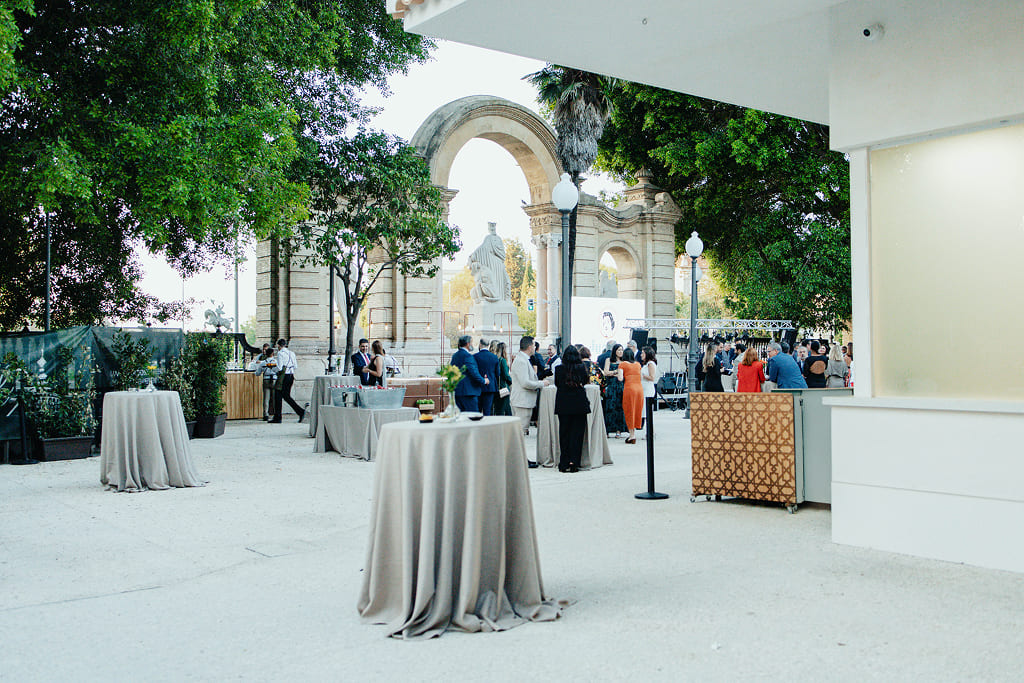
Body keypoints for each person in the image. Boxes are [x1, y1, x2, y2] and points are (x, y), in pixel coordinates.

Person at [511, 337, 549, 467]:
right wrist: (541, 383)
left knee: (522, 432)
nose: (535, 347)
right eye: (533, 345)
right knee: (520, 433)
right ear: (529, 347)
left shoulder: (523, 359)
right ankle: (520, 461)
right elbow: (525, 382)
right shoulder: (521, 361)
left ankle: (521, 459)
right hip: (522, 401)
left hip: (524, 401)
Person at [553, 345, 590, 472]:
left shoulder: (558, 369)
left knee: (564, 434)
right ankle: (574, 461)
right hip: (579, 403)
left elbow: (557, 384)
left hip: (563, 404)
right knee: (577, 434)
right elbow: (585, 381)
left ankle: (564, 462)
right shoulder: (581, 368)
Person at [270, 338, 305, 423]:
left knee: (278, 395)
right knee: (286, 396)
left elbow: (279, 367)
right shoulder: (291, 353)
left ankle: (278, 417)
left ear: (279, 345)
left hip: (283, 377)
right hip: (291, 375)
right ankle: (300, 412)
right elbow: (295, 366)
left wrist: (272, 368)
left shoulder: (280, 353)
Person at [450, 335, 487, 412]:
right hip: (469, 393)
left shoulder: (455, 356)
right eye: (471, 343)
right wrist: (484, 381)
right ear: (468, 344)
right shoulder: (468, 356)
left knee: (461, 417)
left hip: (457, 392)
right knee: (473, 416)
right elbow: (474, 373)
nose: (472, 345)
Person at [601, 343, 627, 437]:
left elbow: (625, 374)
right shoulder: (608, 360)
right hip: (611, 386)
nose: (620, 352)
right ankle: (608, 430)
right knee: (609, 407)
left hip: (621, 386)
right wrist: (616, 372)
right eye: (619, 350)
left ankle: (618, 430)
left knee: (620, 407)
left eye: (621, 350)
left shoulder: (624, 361)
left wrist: (615, 374)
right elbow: (605, 372)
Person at [620, 348, 643, 444]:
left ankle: (632, 435)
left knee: (629, 410)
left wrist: (615, 373)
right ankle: (634, 431)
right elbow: (641, 377)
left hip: (629, 388)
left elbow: (620, 378)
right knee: (637, 410)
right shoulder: (638, 364)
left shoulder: (622, 364)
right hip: (639, 389)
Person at [474, 338, 500, 416]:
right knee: (487, 410)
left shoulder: (475, 357)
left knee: (477, 411)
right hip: (490, 387)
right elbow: (498, 373)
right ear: (488, 345)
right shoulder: (494, 357)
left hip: (478, 386)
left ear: (480, 345)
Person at [491, 341, 514, 416]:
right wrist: (511, 381)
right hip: (503, 387)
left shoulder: (495, 359)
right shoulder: (503, 360)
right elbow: (506, 375)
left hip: (496, 387)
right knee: (505, 409)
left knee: (500, 408)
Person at [254, 344, 277, 421]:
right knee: (274, 398)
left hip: (266, 379)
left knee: (266, 398)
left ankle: (265, 414)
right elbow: (279, 370)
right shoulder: (276, 362)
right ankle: (275, 413)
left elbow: (258, 373)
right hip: (274, 379)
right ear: (272, 353)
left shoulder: (263, 363)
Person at [640, 346, 658, 426]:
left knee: (646, 408)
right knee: (643, 408)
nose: (641, 355)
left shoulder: (650, 364)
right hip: (644, 388)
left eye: (643, 353)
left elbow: (652, 377)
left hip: (648, 389)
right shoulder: (646, 364)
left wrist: (642, 375)